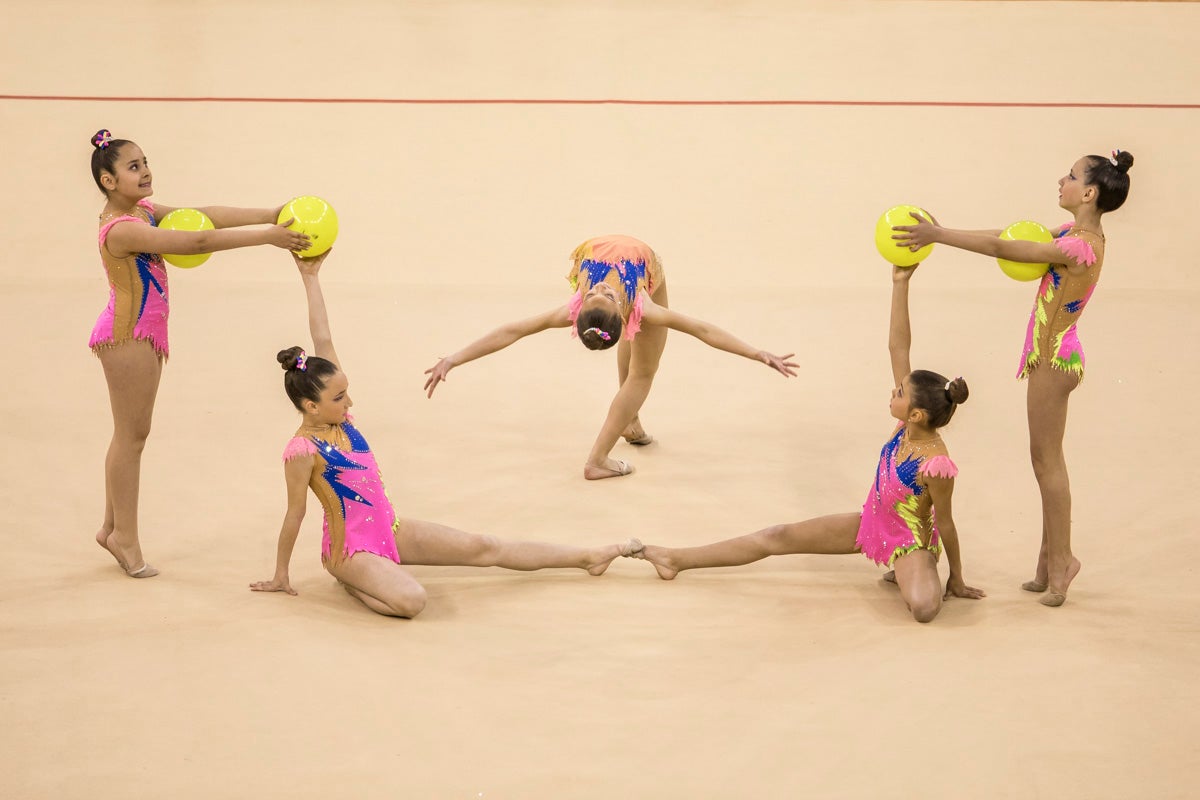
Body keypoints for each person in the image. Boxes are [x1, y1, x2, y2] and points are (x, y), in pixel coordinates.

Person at [251, 250, 641, 617]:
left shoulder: (340, 420)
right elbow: (295, 513)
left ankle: (587, 557)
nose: (350, 402)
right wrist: (281, 574)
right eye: (340, 398)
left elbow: (324, 339)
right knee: (413, 601)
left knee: (483, 546)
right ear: (311, 407)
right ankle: (350, 578)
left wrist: (310, 276)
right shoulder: (301, 450)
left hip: (389, 528)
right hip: (349, 548)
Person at [626, 262, 984, 623]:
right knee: (776, 536)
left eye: (900, 392)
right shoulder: (904, 426)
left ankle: (913, 568)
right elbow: (897, 345)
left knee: (923, 609)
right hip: (873, 523)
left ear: (917, 414)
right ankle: (676, 559)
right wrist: (900, 283)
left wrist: (956, 577)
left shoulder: (936, 464)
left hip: (909, 540)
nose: (894, 391)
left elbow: (947, 523)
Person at [890, 150, 1134, 606]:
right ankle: (1048, 557)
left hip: (1054, 361)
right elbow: (1004, 236)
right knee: (1042, 460)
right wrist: (942, 234)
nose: (1061, 179)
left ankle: (1062, 560)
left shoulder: (1079, 247)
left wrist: (938, 235)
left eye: (1071, 175)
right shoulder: (1074, 235)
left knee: (1048, 462)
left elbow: (1004, 250)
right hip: (1050, 357)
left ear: (1089, 193)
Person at [88, 129, 311, 578]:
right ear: (109, 181)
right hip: (128, 339)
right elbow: (196, 242)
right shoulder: (124, 229)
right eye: (133, 167)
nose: (146, 170)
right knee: (131, 438)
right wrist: (267, 236)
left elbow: (204, 218)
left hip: (144, 334)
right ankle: (125, 540)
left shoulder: (144, 210)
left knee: (131, 434)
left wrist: (272, 214)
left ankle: (112, 527)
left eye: (145, 161)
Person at [423, 234, 797, 479]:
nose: (600, 287)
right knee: (644, 374)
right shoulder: (644, 307)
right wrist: (455, 358)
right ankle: (597, 461)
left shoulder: (581, 308)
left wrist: (755, 352)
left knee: (637, 366)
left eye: (595, 293)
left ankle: (630, 424)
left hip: (609, 251)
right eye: (602, 294)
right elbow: (702, 329)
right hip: (646, 265)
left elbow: (514, 329)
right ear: (623, 312)